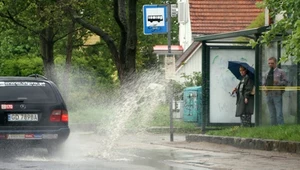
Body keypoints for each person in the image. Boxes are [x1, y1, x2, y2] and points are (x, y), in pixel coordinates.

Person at [263, 57, 288, 125]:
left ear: (275, 63)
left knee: (279, 113)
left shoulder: (281, 72)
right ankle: (273, 127)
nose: (270, 65)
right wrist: (264, 88)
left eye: (272, 63)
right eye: (269, 63)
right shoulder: (266, 73)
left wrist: (278, 82)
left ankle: (281, 127)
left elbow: (286, 82)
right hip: (269, 94)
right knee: (271, 113)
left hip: (277, 94)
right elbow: (264, 83)